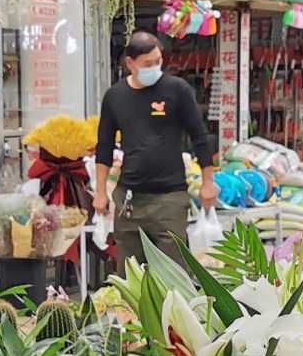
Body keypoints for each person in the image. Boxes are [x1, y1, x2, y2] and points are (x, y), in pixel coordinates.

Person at [92, 31, 219, 266]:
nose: (155, 68)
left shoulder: (177, 90)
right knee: (130, 273)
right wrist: (101, 191)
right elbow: (105, 147)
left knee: (173, 272)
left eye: (158, 61)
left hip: (170, 198)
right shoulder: (115, 96)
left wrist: (208, 183)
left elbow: (200, 137)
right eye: (147, 64)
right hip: (129, 199)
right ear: (130, 63)